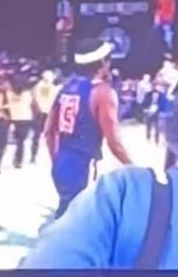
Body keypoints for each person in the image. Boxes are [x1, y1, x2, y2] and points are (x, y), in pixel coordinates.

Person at [25, 78, 178, 271]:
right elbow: (113, 139)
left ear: (172, 137)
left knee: (70, 219)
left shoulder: (128, 191)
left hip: (68, 158)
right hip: (83, 159)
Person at [43, 38, 131, 218]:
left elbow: (48, 132)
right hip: (84, 162)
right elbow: (114, 143)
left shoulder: (66, 88)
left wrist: (57, 159)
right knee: (81, 223)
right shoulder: (103, 93)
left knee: (67, 214)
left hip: (62, 160)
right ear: (102, 63)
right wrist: (133, 166)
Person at [9, 76, 36, 166]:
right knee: (21, 141)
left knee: (17, 140)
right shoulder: (28, 93)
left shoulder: (10, 93)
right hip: (26, 117)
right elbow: (32, 104)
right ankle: (18, 160)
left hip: (14, 118)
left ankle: (17, 158)